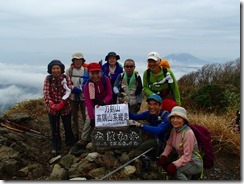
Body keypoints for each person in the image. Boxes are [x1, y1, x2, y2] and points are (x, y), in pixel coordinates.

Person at [71, 62, 113, 154]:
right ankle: (83, 140)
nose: (95, 75)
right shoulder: (87, 86)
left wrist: (104, 102)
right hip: (94, 105)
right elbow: (88, 103)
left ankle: (107, 138)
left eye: (97, 73)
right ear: (89, 73)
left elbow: (110, 95)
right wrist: (92, 118)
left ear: (100, 72)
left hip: (105, 105)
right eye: (92, 73)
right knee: (89, 120)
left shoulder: (105, 80)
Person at [158, 106, 203, 180]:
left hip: (193, 163)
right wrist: (164, 156)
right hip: (184, 160)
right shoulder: (174, 130)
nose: (175, 120)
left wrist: (174, 165)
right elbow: (169, 144)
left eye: (178, 118)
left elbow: (187, 156)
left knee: (177, 171)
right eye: (173, 117)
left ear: (184, 120)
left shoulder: (188, 133)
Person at [43, 59, 74, 155]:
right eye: (53, 68)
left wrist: (62, 103)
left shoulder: (66, 78)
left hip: (65, 107)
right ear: (50, 70)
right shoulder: (48, 79)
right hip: (52, 109)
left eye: (58, 68)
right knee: (54, 128)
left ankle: (70, 143)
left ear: (61, 69)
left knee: (67, 126)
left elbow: (69, 91)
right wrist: (51, 103)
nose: (56, 70)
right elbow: (46, 92)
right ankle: (56, 145)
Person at [128, 94, 172, 160]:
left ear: (160, 106)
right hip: (154, 138)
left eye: (155, 104)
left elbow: (158, 130)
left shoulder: (166, 116)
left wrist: (140, 125)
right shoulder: (148, 113)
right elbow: (133, 116)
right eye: (150, 104)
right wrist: (126, 107)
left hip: (164, 144)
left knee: (139, 149)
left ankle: (131, 158)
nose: (152, 107)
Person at [65, 51, 88, 142]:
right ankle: (76, 135)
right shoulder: (69, 71)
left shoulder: (86, 70)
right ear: (73, 61)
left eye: (80, 60)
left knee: (85, 116)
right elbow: (66, 83)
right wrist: (73, 88)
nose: (78, 62)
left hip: (84, 97)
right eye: (76, 60)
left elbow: (88, 82)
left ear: (82, 61)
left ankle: (85, 135)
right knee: (74, 116)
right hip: (73, 97)